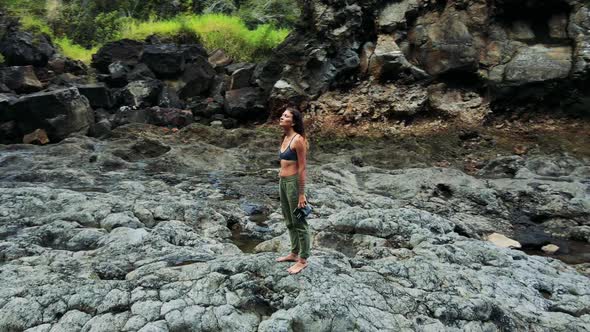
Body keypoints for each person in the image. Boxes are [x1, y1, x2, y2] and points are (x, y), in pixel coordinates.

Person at [275, 106, 310, 274]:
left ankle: (303, 259)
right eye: (282, 115)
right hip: (283, 183)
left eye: (286, 116)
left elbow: (303, 168)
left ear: (294, 121)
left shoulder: (298, 140)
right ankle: (294, 253)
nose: (282, 117)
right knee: (289, 221)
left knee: (299, 222)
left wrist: (302, 194)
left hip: (294, 184)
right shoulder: (284, 138)